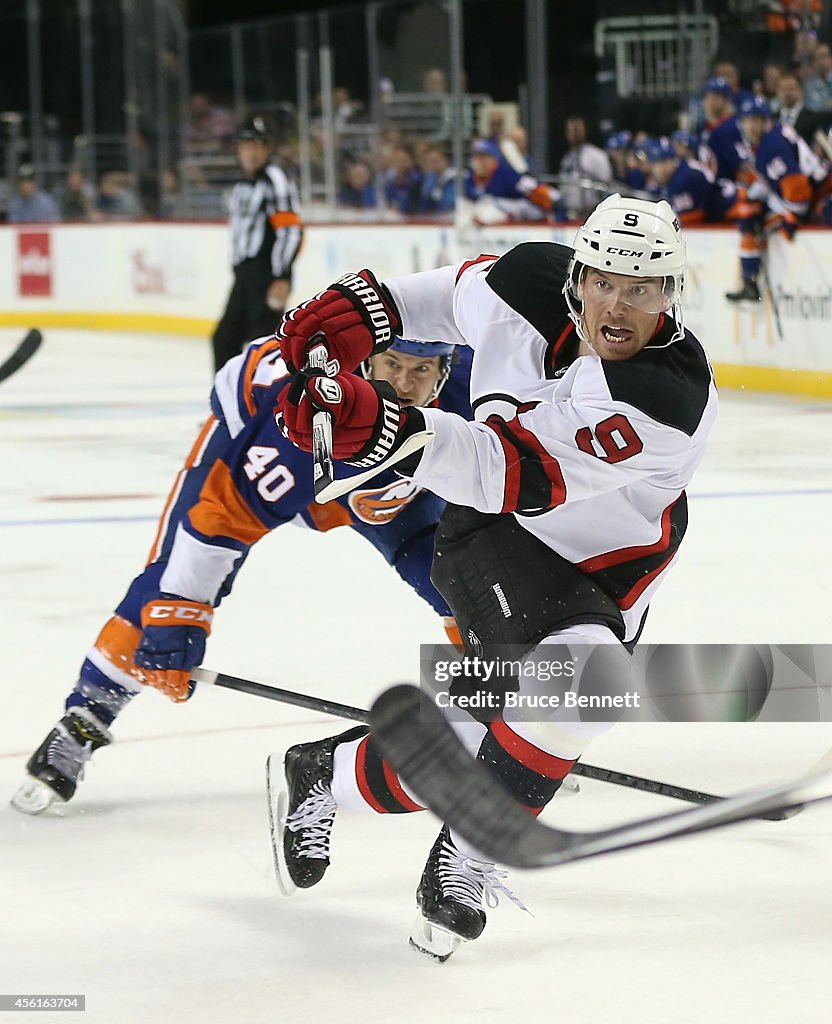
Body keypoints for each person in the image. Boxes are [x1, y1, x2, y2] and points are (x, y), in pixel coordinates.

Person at [271, 194, 718, 958]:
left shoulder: (661, 397)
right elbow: (447, 299)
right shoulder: (527, 280)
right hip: (495, 535)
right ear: (577, 273)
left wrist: (386, 428)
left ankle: (326, 772)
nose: (617, 306)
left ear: (670, 295)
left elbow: (507, 466)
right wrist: (368, 310)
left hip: (608, 569)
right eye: (605, 281)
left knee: (492, 733)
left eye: (641, 290)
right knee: (581, 689)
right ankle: (471, 850)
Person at [12, 336, 473, 816]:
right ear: (367, 359)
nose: (402, 384)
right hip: (259, 447)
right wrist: (181, 609)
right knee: (165, 595)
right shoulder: (305, 418)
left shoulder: (473, 387)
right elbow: (224, 517)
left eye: (421, 371)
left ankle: (499, 722)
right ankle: (84, 720)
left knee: (469, 587)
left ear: (445, 369)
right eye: (392, 364)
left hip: (385, 482)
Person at [211, 117, 303, 373]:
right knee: (224, 340)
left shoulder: (274, 180)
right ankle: (229, 407)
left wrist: (281, 275)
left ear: (267, 149)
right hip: (245, 275)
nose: (253, 152)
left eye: (259, 145)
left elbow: (291, 230)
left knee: (263, 347)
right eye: (247, 145)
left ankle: (264, 409)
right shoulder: (242, 186)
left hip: (266, 274)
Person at [725, 97, 829, 303]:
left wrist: (791, 217)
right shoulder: (771, 137)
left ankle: (750, 281)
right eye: (748, 120)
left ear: (766, 121)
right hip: (816, 191)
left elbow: (797, 188)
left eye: (757, 120)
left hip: (817, 200)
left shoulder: (770, 146)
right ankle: (750, 279)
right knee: (750, 207)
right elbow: (778, 182)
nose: (752, 126)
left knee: (750, 217)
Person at [558, 116, 612, 218]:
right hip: (570, 214)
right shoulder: (567, 158)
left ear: (585, 131)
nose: (575, 133)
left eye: (577, 129)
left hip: (592, 214)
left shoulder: (597, 155)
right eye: (571, 130)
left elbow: (606, 186)